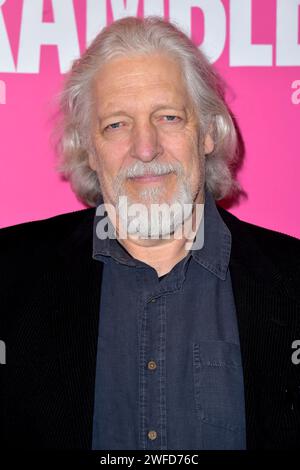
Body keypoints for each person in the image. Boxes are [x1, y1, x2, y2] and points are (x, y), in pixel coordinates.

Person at [0, 16, 299, 451]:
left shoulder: (293, 281)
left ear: (208, 133)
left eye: (169, 116)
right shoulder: (8, 276)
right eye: (117, 124)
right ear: (89, 147)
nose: (145, 147)